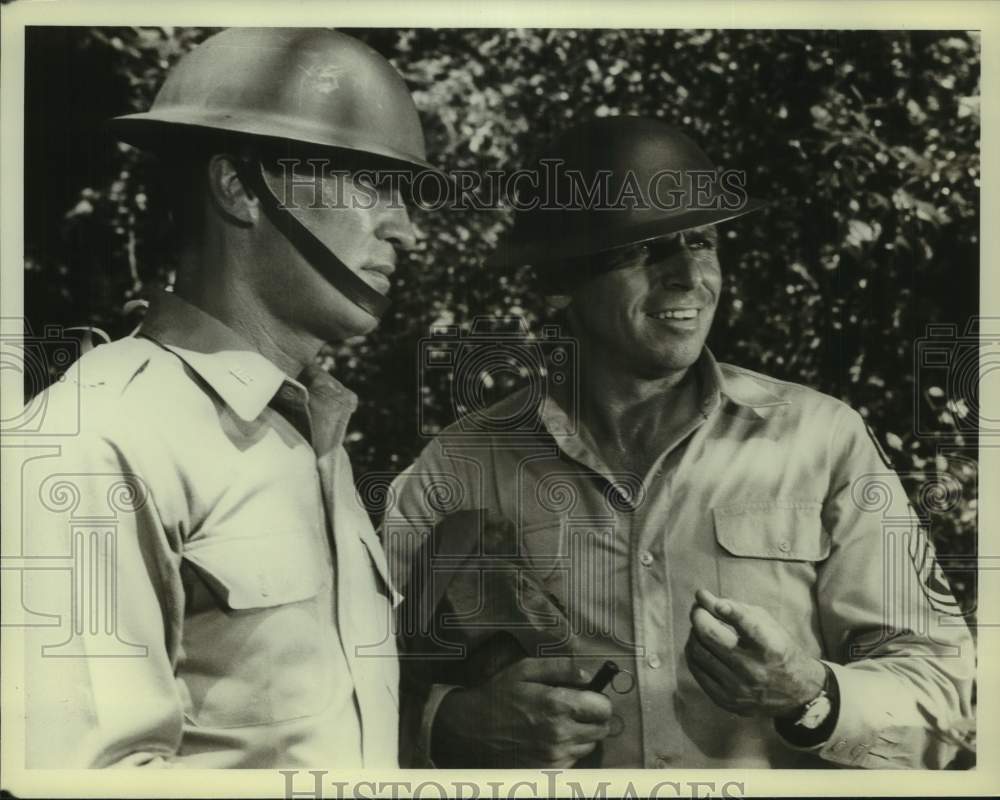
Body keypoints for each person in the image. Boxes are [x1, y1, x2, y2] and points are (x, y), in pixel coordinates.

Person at [384, 116, 975, 769]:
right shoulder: (461, 467)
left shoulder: (822, 440)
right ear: (557, 282)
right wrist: (451, 726)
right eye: (642, 249)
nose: (689, 275)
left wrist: (811, 696)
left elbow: (947, 694)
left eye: (702, 241)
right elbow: (355, 691)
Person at [18, 27, 433, 768]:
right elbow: (84, 777)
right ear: (240, 188)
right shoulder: (100, 440)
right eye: (370, 182)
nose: (407, 229)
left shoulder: (313, 435)